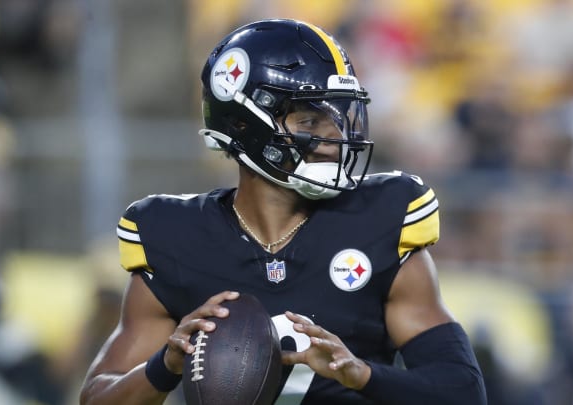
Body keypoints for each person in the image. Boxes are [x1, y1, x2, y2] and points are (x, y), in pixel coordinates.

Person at [80, 18, 486, 405]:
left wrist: (362, 375)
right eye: (311, 119)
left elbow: (462, 393)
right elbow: (98, 396)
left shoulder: (379, 220)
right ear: (243, 125)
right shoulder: (176, 238)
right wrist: (165, 365)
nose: (335, 139)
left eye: (339, 119)